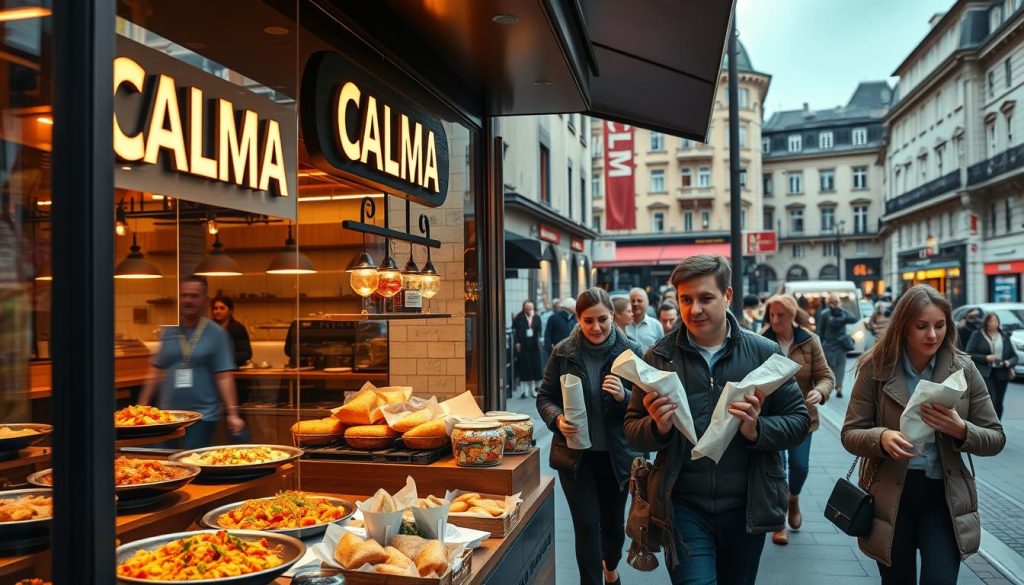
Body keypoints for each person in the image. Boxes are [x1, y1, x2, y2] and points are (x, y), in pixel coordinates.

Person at [623, 254, 810, 584]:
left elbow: (798, 421)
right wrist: (657, 427)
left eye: (705, 298)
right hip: (683, 506)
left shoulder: (763, 353)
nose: (694, 309)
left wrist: (757, 429)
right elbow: (631, 429)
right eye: (685, 299)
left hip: (747, 506)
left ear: (727, 296)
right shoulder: (659, 356)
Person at [841, 285, 1005, 585]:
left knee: (940, 579)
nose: (932, 335)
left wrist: (960, 429)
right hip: (891, 497)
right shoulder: (876, 367)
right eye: (922, 326)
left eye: (940, 325)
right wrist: (881, 438)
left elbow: (995, 437)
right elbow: (851, 433)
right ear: (903, 326)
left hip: (944, 498)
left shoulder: (964, 369)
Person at [536, 288, 643, 585]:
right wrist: (557, 419)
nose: (596, 327)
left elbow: (647, 402)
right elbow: (544, 397)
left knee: (613, 527)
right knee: (585, 525)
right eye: (588, 321)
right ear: (578, 319)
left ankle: (611, 569)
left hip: (617, 456)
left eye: (602, 320)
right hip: (576, 457)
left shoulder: (632, 351)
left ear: (612, 316)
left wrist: (624, 396)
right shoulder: (563, 352)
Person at [760, 295, 835, 545]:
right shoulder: (761, 339)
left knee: (800, 466)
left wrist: (820, 392)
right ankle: (779, 521)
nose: (775, 320)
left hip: (802, 416)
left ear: (793, 315)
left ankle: (793, 498)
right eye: (771, 315)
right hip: (771, 417)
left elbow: (825, 376)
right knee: (778, 468)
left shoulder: (809, 340)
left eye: (780, 315)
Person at [138, 276, 245, 448]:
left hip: (202, 417)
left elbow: (224, 376)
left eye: (194, 296)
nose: (188, 300)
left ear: (205, 300)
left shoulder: (216, 334)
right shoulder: (169, 332)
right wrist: (141, 408)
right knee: (163, 461)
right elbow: (155, 371)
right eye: (184, 295)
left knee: (189, 461)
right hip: (168, 417)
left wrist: (233, 413)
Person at [967, 313, 1018, 419]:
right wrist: (986, 358)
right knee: (991, 400)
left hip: (1001, 373)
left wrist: (1008, 363)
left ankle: (997, 425)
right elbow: (969, 353)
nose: (993, 323)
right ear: (985, 322)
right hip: (985, 373)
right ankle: (989, 424)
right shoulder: (977, 335)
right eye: (990, 321)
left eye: (995, 321)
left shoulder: (1004, 336)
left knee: (999, 402)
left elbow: (1014, 356)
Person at [819, 294, 858, 398]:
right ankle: (839, 387)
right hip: (839, 344)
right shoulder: (842, 313)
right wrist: (842, 309)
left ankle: (831, 387)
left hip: (829, 345)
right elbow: (854, 318)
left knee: (829, 367)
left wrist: (819, 344)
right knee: (840, 367)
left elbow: (820, 331)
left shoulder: (824, 313)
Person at [211, 295, 252, 369]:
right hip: (211, 370)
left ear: (230, 311)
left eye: (222, 308)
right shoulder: (208, 328)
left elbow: (246, 353)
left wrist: (224, 356)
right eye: (215, 308)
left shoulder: (238, 328)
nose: (218, 311)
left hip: (232, 369)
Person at [512, 300, 543, 398]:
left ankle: (533, 390)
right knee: (525, 368)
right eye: (527, 308)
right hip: (523, 345)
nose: (529, 310)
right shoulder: (519, 317)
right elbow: (515, 331)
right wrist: (516, 342)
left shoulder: (536, 317)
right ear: (524, 308)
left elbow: (539, 330)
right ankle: (524, 391)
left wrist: (532, 321)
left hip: (534, 345)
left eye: (531, 308)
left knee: (534, 368)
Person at [626, 287, 663, 352]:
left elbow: (661, 350)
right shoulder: (623, 324)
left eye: (639, 301)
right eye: (632, 301)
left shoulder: (656, 325)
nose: (635, 304)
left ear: (647, 303)